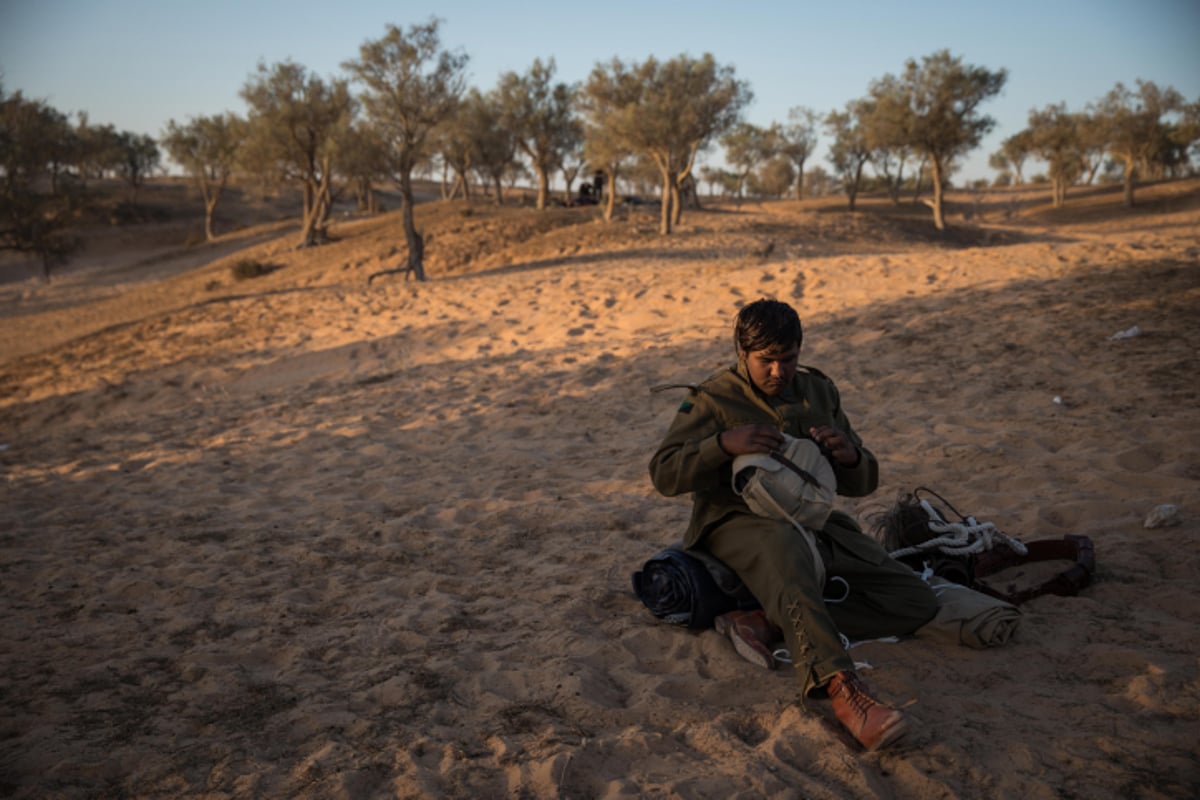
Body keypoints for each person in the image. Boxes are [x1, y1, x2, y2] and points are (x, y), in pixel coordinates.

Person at [648, 298, 938, 751]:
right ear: (741, 352)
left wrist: (851, 456)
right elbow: (664, 473)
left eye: (789, 359)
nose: (779, 372)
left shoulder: (819, 392)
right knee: (788, 551)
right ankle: (844, 692)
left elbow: (864, 481)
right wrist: (723, 444)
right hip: (735, 522)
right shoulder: (712, 398)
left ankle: (766, 620)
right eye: (767, 361)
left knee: (914, 601)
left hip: (812, 518)